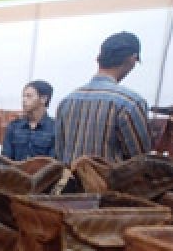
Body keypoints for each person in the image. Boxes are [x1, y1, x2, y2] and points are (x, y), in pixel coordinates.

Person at [53, 32, 151, 164]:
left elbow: (60, 152)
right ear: (132, 59)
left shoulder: (67, 101)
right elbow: (140, 161)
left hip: (70, 182)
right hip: (110, 184)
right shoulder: (130, 103)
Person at [2, 80, 55, 160]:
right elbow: (5, 159)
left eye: (29, 96)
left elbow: (54, 164)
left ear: (43, 99)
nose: (24, 100)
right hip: (15, 172)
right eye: (23, 96)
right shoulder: (13, 127)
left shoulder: (55, 129)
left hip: (43, 172)